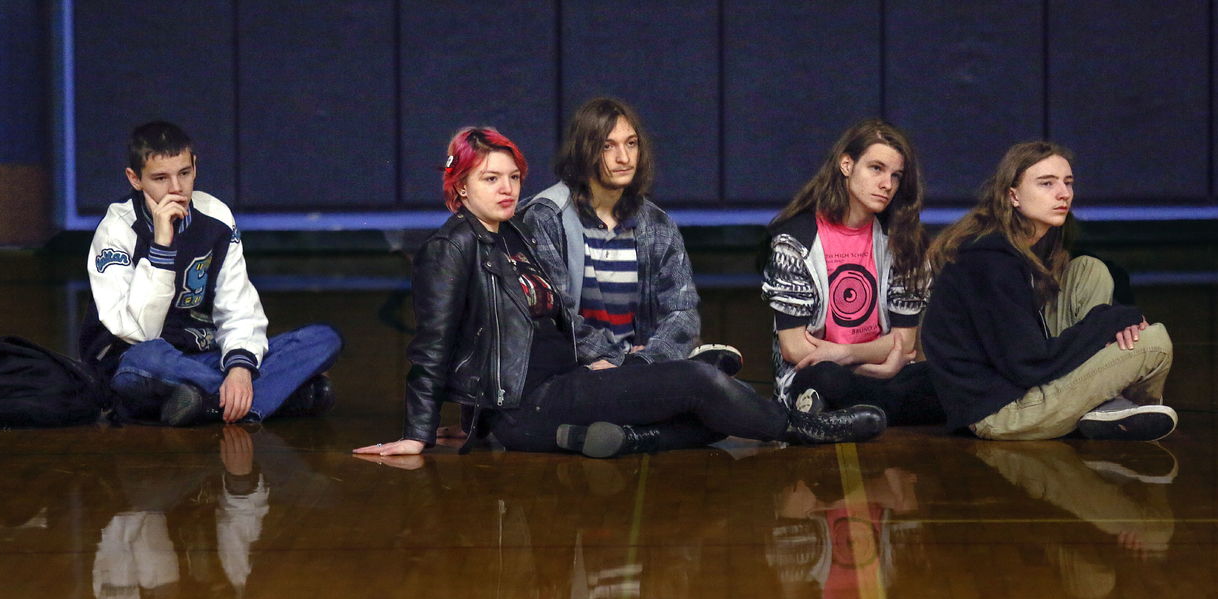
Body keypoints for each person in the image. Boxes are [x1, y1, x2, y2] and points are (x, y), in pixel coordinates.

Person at [354, 127, 885, 460]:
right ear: (461, 187)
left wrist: (599, 362)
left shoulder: (512, 236)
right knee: (700, 383)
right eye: (491, 178)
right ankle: (804, 428)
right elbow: (436, 345)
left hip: (566, 381)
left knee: (706, 415)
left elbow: (529, 331)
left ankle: (633, 440)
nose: (507, 189)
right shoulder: (450, 248)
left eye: (513, 176)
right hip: (532, 403)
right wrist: (420, 433)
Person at [80, 121, 342, 426]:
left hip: (205, 357)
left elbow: (239, 306)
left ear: (195, 167)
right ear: (135, 179)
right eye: (160, 178)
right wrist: (162, 246)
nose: (176, 188)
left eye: (184, 173)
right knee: (146, 360)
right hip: (139, 363)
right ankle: (263, 401)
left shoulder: (216, 217)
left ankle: (205, 403)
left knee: (323, 339)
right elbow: (141, 333)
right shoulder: (116, 230)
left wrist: (240, 369)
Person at [920, 141, 1176, 441]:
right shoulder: (990, 261)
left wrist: (1113, 322)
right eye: (1046, 184)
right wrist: (1109, 323)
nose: (1063, 193)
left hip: (1020, 382)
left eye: (1068, 183)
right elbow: (1029, 364)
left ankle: (1107, 405)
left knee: (1088, 270)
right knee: (1154, 343)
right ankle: (1120, 407)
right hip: (1000, 411)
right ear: (1012, 195)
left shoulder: (1020, 245)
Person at [520, 97, 741, 375]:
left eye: (631, 143)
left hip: (640, 371)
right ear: (584, 152)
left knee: (720, 391)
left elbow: (682, 313)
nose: (624, 158)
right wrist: (621, 361)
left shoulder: (657, 224)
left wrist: (643, 361)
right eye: (607, 146)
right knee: (705, 387)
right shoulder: (546, 218)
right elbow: (556, 320)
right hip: (574, 373)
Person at [761, 119, 942, 426]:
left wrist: (846, 354)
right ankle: (859, 411)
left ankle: (847, 416)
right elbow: (795, 349)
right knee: (825, 377)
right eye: (876, 168)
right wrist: (873, 364)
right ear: (847, 164)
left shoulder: (904, 240)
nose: (887, 184)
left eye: (896, 175)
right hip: (815, 375)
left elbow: (905, 344)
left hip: (876, 374)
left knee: (948, 375)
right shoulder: (795, 241)